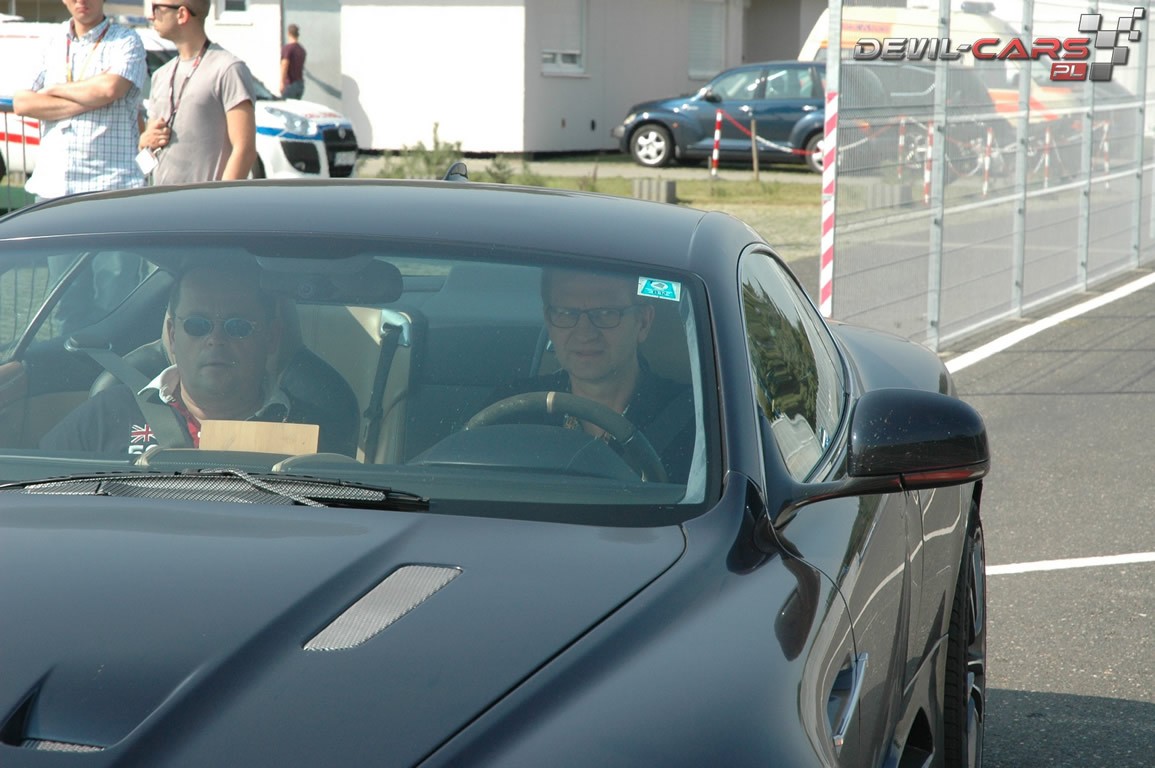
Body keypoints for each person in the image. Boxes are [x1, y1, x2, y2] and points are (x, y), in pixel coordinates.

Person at [41, 263, 341, 456]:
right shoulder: (108, 412)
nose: (216, 339)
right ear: (173, 335)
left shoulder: (308, 429)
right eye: (197, 325)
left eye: (237, 326)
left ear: (271, 337)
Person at [13, 0, 148, 335]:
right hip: (57, 191)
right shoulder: (51, 42)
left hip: (112, 190)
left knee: (116, 298)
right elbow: (23, 102)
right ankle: (68, 367)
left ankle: (114, 368)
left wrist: (55, 91)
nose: (81, 1)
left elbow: (110, 88)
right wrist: (88, 100)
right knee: (65, 303)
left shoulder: (125, 40)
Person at [490, 267, 695, 482]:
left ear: (643, 322)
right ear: (549, 322)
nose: (585, 333)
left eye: (606, 313)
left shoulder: (694, 423)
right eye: (566, 313)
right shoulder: (513, 411)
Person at [139, 0, 257, 185]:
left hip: (207, 201)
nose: (150, 16)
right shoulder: (160, 75)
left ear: (182, 14)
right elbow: (150, 140)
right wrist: (144, 141)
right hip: (161, 199)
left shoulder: (227, 69)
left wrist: (221, 198)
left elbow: (245, 149)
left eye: (157, 9)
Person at [279, 23, 306, 99]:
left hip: (290, 84)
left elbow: (285, 65)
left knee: (285, 104)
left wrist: (282, 82)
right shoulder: (301, 50)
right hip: (300, 84)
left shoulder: (288, 48)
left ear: (288, 33)